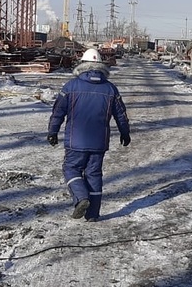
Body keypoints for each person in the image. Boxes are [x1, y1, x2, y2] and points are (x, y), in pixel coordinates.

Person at [47, 48, 131, 221]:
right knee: (94, 174)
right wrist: (125, 132)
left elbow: (58, 112)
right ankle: (92, 214)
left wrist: (52, 131)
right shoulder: (110, 89)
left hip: (75, 140)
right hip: (99, 142)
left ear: (82, 65)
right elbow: (121, 114)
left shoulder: (71, 86)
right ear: (101, 65)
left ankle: (81, 197)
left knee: (71, 168)